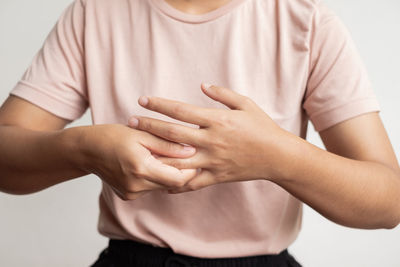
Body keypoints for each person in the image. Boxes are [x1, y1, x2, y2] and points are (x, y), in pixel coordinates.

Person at [0, 0, 399, 266]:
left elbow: (389, 201)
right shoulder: (95, 13)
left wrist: (277, 157)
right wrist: (82, 149)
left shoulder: (306, 21)